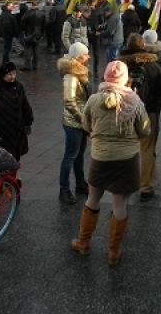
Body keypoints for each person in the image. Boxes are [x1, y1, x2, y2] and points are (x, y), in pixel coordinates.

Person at [71, 60, 150, 266]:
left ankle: (83, 242)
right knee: (119, 204)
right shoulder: (135, 101)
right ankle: (113, 252)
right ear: (125, 79)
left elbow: (86, 125)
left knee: (93, 199)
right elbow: (145, 131)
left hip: (101, 158)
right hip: (127, 160)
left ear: (106, 77)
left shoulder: (93, 100)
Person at [116, 33, 161, 201]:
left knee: (125, 146)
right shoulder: (152, 64)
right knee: (146, 148)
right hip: (149, 111)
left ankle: (124, 182)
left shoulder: (119, 64)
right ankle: (145, 186)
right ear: (143, 46)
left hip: (123, 110)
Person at [57, 42, 92, 205]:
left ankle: (80, 183)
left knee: (78, 155)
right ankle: (64, 190)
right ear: (78, 57)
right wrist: (82, 118)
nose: (89, 56)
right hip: (74, 123)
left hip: (81, 121)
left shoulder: (80, 71)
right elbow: (69, 101)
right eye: (86, 54)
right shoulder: (71, 75)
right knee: (70, 156)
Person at [0, 62, 34, 161]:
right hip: (2, 133)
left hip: (17, 131)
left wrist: (28, 122)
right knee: (3, 160)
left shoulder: (18, 87)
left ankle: (12, 176)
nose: (12, 77)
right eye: (9, 74)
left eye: (14, 73)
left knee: (15, 159)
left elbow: (25, 105)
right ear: (3, 75)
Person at [19, 0, 44, 71]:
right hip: (38, 35)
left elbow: (22, 23)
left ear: (32, 5)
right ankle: (35, 65)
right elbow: (44, 24)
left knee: (27, 50)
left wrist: (24, 30)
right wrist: (41, 33)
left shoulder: (28, 13)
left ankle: (27, 66)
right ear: (38, 5)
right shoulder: (42, 13)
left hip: (29, 34)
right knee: (36, 50)